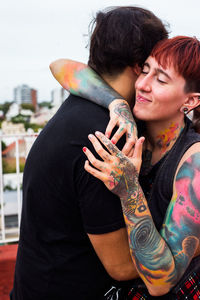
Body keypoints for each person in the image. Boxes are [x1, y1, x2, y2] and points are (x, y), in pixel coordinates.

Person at [10, 6, 168, 300]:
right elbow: (121, 266)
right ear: (139, 65)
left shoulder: (82, 108)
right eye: (155, 65)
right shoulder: (109, 136)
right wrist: (181, 241)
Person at [51, 36, 200, 298]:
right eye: (145, 70)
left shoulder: (194, 161)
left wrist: (129, 189)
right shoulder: (137, 125)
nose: (142, 84)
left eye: (161, 79)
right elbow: (59, 66)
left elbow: (161, 282)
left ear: (190, 102)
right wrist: (116, 103)